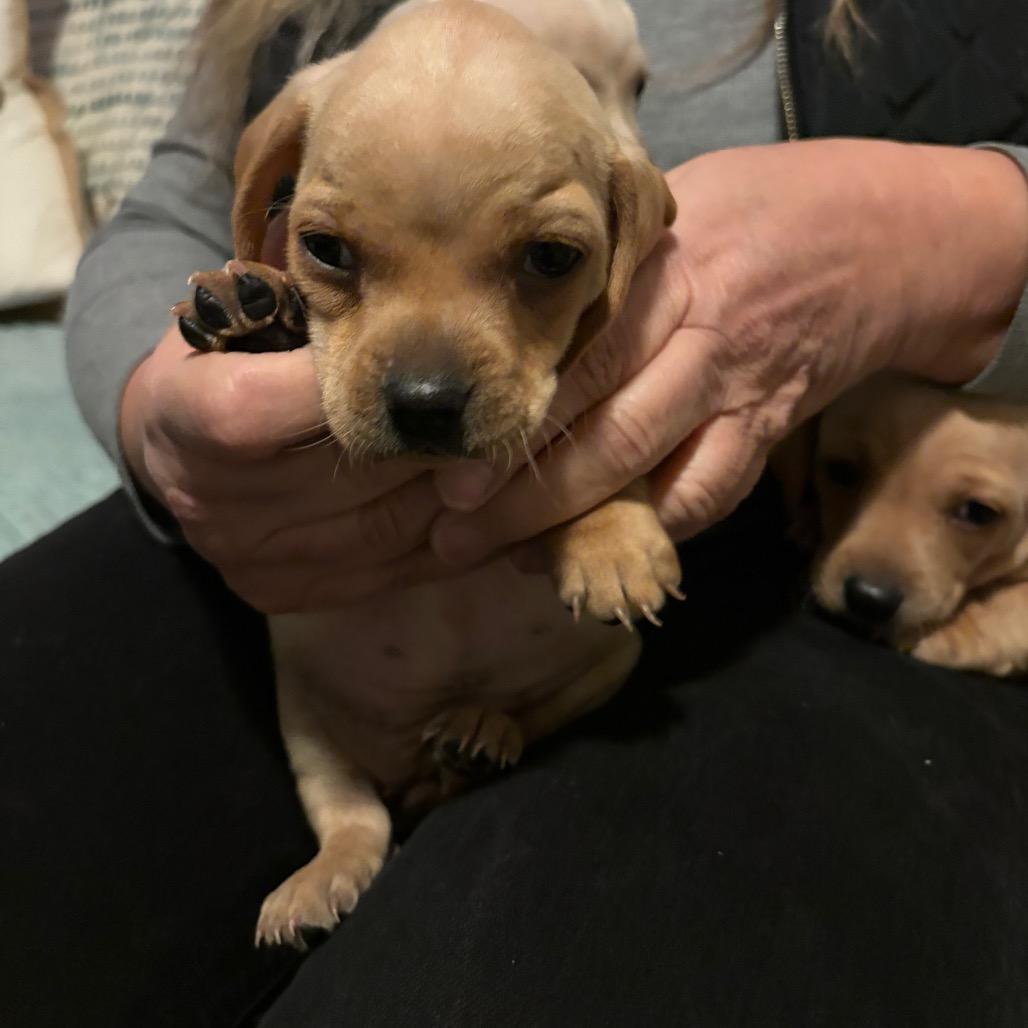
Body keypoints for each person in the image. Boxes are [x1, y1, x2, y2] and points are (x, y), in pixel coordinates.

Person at [5, 0, 1028, 1024]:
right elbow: (172, 218)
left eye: (544, 258)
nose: (427, 381)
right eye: (333, 250)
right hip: (299, 522)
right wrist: (160, 412)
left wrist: (934, 238)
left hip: (780, 561)